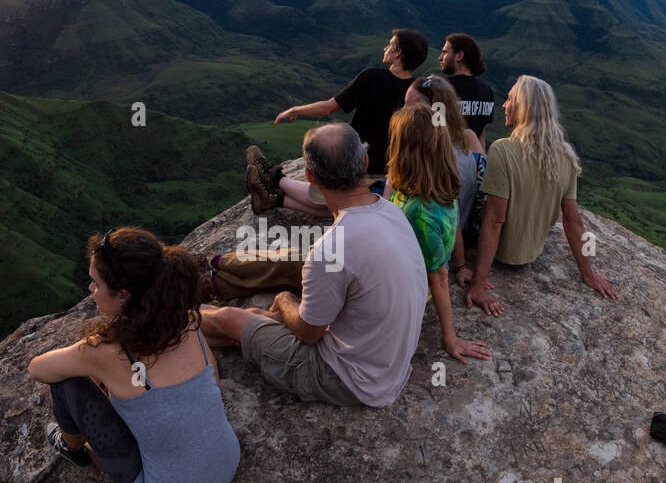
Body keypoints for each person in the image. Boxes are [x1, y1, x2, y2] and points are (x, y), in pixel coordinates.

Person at [201, 123, 427, 407]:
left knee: (227, 318)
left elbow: (307, 335)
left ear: (310, 176)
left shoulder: (331, 248)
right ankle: (234, 311)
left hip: (346, 378)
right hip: (386, 363)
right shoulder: (392, 211)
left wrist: (285, 300)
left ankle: (175, 318)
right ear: (365, 161)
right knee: (265, 306)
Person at [27, 227, 240, 483]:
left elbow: (38, 369)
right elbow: (212, 381)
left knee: (66, 383)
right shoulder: (184, 321)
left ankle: (71, 447)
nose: (90, 290)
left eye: (96, 283)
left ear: (124, 296)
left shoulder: (106, 351)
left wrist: (89, 353)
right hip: (227, 463)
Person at [465, 76, 618, 316]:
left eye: (510, 100)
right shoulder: (566, 156)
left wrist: (478, 283)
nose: (504, 105)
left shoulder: (502, 150)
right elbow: (573, 221)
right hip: (532, 253)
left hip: (502, 253)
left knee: (467, 140)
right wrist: (588, 274)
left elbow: (495, 221)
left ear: (523, 108)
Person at [256, 28, 428, 213]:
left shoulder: (372, 76)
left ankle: (274, 178)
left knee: (332, 198)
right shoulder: (418, 92)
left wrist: (295, 109)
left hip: (355, 164)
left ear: (398, 52)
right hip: (390, 175)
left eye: (390, 44)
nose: (385, 48)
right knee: (344, 206)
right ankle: (275, 200)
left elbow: (328, 107)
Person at [383, 104, 492, 364]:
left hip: (404, 289)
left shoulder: (419, 213)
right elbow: (454, 231)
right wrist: (462, 267)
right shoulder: (441, 188)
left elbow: (439, 277)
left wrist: (451, 338)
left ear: (403, 150)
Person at [401, 74, 486, 290]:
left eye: (413, 107)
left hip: (434, 239)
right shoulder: (462, 140)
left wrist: (460, 266)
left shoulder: (439, 159)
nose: (404, 111)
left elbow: (451, 217)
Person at [438, 33, 495, 150]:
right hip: (473, 157)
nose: (440, 57)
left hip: (445, 157)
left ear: (459, 55)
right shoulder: (487, 91)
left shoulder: (440, 88)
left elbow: (435, 129)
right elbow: (481, 136)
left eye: (445, 52)